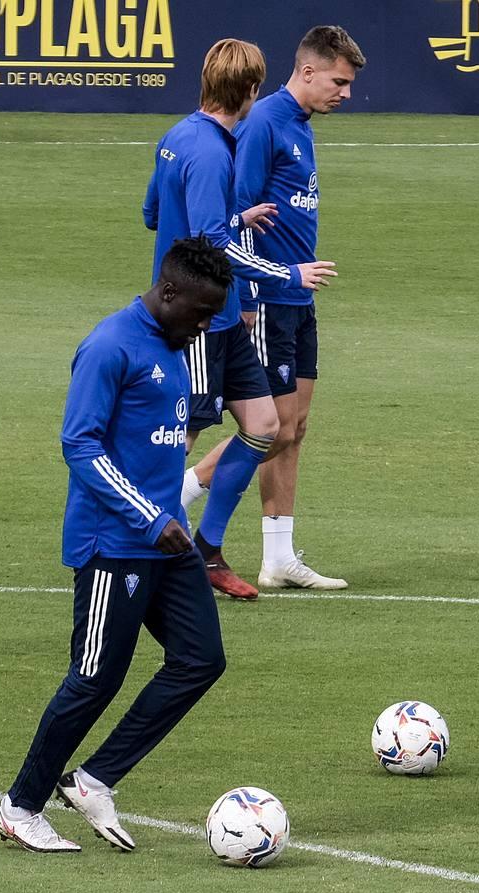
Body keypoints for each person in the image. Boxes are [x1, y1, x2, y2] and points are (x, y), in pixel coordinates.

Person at [0, 238, 231, 853]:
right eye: (200, 312)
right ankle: (20, 807)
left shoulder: (178, 343)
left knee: (201, 658)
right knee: (95, 679)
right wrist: (152, 517)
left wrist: (167, 512)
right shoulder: (109, 345)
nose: (205, 325)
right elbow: (80, 445)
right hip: (115, 542)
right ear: (168, 291)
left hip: (164, 540)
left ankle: (95, 779)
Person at [143, 38, 337, 600]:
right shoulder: (209, 151)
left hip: (221, 316)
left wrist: (231, 212)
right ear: (250, 90)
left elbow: (152, 212)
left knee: (265, 428)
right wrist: (287, 275)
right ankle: (148, 542)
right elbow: (213, 245)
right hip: (196, 318)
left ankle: (207, 550)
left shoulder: (179, 137)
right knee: (179, 436)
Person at [183, 26, 365, 591]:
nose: (346, 93)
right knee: (271, 428)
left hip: (298, 297)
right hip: (266, 301)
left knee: (295, 427)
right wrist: (257, 294)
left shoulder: (302, 126)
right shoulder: (264, 123)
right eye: (339, 81)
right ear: (307, 70)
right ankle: (177, 495)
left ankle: (279, 556)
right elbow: (234, 221)